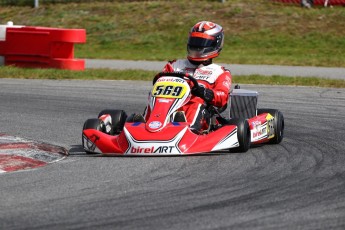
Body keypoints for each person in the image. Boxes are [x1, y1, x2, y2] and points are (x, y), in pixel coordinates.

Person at [144, 21, 232, 133]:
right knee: (155, 99)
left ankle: (189, 131)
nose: (197, 46)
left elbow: (222, 97)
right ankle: (144, 127)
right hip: (169, 105)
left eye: (202, 42)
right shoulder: (174, 65)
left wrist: (204, 92)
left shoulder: (220, 72)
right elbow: (159, 82)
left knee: (197, 102)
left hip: (199, 109)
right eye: (194, 41)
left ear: (214, 44)